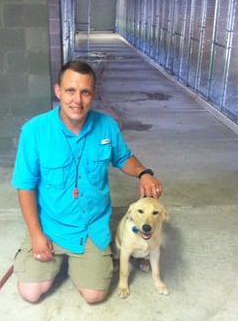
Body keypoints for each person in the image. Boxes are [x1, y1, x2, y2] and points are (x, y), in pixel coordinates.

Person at [12, 60, 163, 304]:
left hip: (91, 227)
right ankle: (57, 258)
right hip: (51, 225)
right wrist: (36, 235)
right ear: (58, 91)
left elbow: (123, 158)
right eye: (70, 91)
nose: (77, 101)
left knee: (94, 296)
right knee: (30, 293)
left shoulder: (106, 127)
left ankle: (83, 263)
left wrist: (144, 172)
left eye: (85, 92)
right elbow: (25, 186)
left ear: (93, 94)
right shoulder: (34, 131)